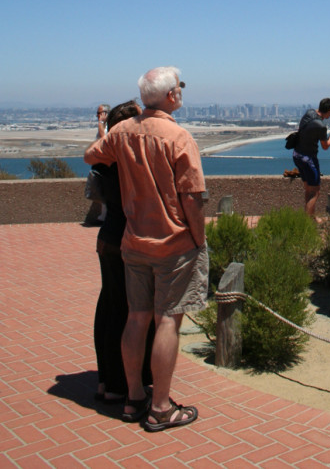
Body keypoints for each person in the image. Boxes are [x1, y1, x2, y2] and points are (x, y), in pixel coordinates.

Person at [85, 66, 208, 432]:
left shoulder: (123, 131)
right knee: (168, 318)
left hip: (133, 242)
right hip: (172, 244)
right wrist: (198, 240)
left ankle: (134, 397)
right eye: (179, 88)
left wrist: (125, 161)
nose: (181, 93)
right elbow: (193, 199)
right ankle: (160, 407)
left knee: (136, 317)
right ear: (171, 96)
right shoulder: (179, 137)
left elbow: (93, 155)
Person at [92, 100, 155, 402]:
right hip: (127, 241)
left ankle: (106, 379)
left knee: (108, 307)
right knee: (130, 313)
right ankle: (123, 383)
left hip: (107, 239)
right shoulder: (130, 161)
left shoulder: (105, 158)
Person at [292, 98, 330, 216]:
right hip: (308, 159)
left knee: (308, 189)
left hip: (297, 155)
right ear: (329, 110)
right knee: (315, 192)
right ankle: (309, 221)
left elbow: (318, 111)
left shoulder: (309, 113)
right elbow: (326, 146)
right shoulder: (320, 126)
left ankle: (310, 217)